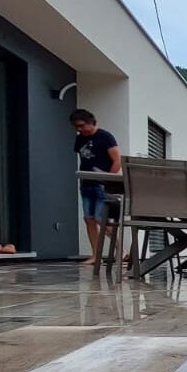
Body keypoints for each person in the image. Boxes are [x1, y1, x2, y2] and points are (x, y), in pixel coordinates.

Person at [72, 109, 120, 265]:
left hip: (102, 184)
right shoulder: (79, 139)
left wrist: (108, 180)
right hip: (86, 183)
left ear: (91, 122)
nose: (79, 129)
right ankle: (95, 255)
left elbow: (117, 160)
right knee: (89, 219)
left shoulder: (105, 137)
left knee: (101, 218)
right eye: (76, 126)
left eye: (81, 125)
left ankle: (121, 250)